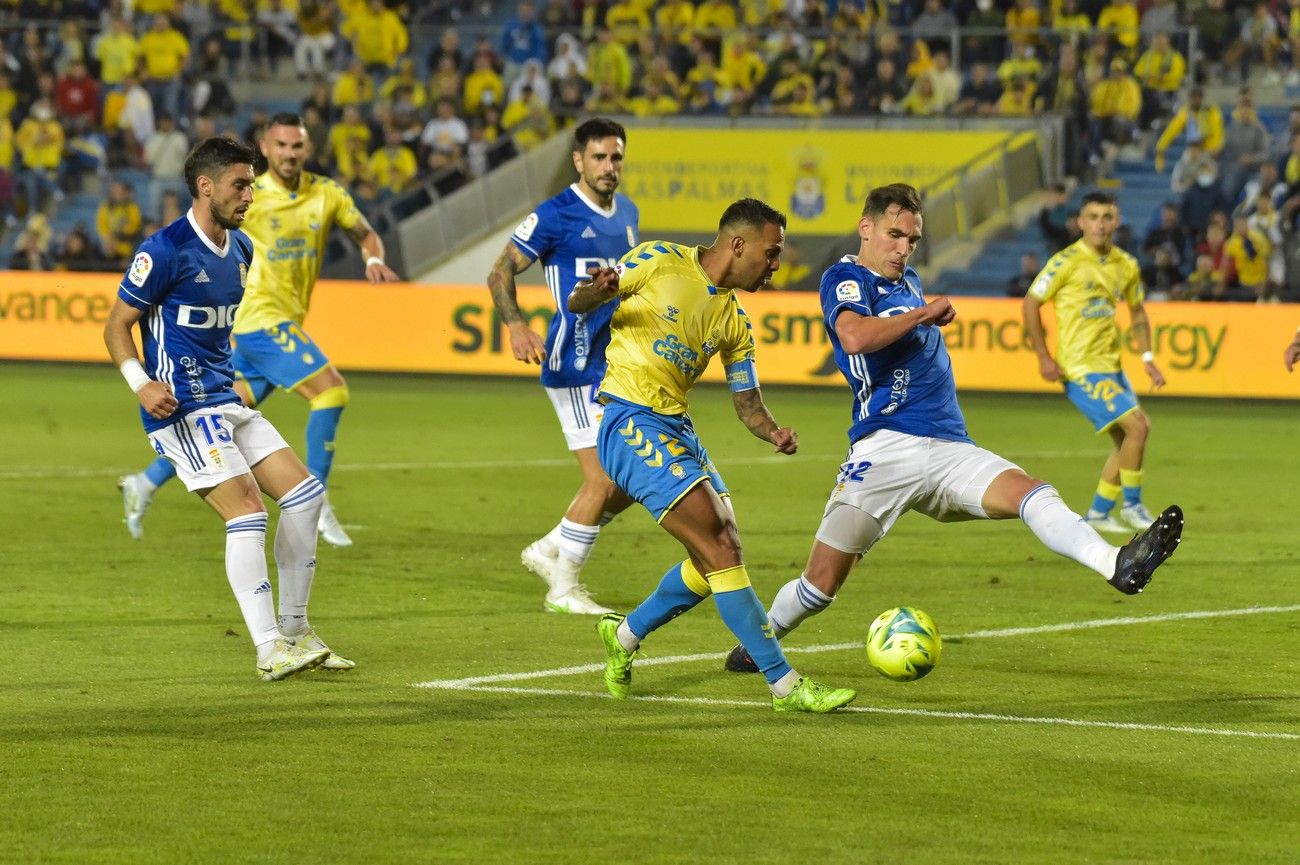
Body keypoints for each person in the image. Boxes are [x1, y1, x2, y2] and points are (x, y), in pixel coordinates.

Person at [722, 184, 1184, 674]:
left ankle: (1116, 564)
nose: (903, 248)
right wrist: (923, 314)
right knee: (820, 586)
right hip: (885, 450)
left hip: (949, 448)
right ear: (867, 229)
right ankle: (759, 643)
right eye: (894, 235)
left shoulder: (910, 283)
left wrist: (919, 309)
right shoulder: (845, 278)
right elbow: (855, 336)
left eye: (913, 240)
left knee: (1033, 493)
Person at [573, 198, 856, 714]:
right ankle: (785, 686)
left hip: (677, 429)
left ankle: (626, 635)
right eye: (771, 254)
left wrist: (772, 432)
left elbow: (747, 403)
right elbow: (579, 302)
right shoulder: (658, 260)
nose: (776, 265)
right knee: (723, 545)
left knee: (710, 565)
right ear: (739, 244)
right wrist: (594, 291)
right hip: (629, 420)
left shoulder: (735, 321)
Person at [102, 137, 352, 681]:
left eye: (252, 186)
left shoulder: (241, 252)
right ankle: (268, 649)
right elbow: (116, 325)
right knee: (248, 513)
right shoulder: (164, 250)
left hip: (224, 399)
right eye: (241, 185)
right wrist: (140, 383)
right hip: (179, 408)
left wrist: (233, 379)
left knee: (306, 496)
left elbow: (215, 336)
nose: (250, 197)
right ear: (205, 186)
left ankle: (296, 630)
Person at [117, 113, 400, 546]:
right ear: (266, 147)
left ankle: (146, 481)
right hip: (258, 318)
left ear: (307, 149)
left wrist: (373, 259)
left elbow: (366, 234)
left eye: (297, 146)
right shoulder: (246, 191)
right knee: (331, 390)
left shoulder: (326, 193)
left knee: (223, 414)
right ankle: (316, 502)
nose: (289, 154)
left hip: (282, 320)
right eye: (281, 145)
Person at [486, 118, 640, 615]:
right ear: (578, 161)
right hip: (572, 364)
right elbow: (500, 270)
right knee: (602, 480)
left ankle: (551, 547)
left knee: (630, 481)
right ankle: (564, 587)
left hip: (614, 365)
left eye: (615, 157)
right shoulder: (555, 215)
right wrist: (515, 325)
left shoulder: (629, 214)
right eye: (599, 157)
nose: (608, 167)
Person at [1023, 191, 1167, 534]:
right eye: (1093, 217)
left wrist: (1147, 358)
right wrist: (1044, 356)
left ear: (1116, 222)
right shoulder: (1066, 261)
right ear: (1080, 222)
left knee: (1127, 441)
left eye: (1107, 217)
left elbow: (1138, 312)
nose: (1100, 224)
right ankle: (1132, 506)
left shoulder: (1126, 265)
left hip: (1112, 366)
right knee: (1138, 427)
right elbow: (1030, 303)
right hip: (1079, 366)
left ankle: (1099, 512)